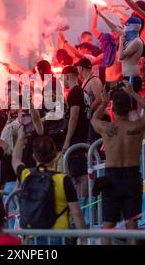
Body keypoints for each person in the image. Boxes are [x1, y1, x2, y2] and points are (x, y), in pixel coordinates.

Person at [91, 82, 145, 245]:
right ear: (129, 108)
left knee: (108, 226)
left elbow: (94, 119)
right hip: (132, 176)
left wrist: (104, 101)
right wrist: (134, 93)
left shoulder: (107, 128)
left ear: (113, 108)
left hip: (112, 177)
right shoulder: (137, 127)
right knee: (132, 225)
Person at [12, 130, 86, 244]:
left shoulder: (26, 175)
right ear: (56, 155)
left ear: (34, 157)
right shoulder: (63, 180)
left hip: (33, 237)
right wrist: (84, 239)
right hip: (60, 236)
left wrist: (21, 137)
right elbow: (76, 213)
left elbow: (15, 160)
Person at [61, 66, 89, 199]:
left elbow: (74, 117)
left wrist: (67, 141)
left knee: (80, 176)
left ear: (67, 76)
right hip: (83, 136)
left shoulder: (75, 93)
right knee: (79, 175)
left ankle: (84, 206)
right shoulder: (83, 92)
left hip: (77, 139)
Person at [75, 58, 103, 143]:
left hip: (95, 116)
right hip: (91, 116)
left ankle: (95, 156)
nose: (77, 69)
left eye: (78, 67)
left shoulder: (94, 80)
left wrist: (89, 110)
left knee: (94, 142)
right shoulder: (86, 80)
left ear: (81, 68)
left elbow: (99, 99)